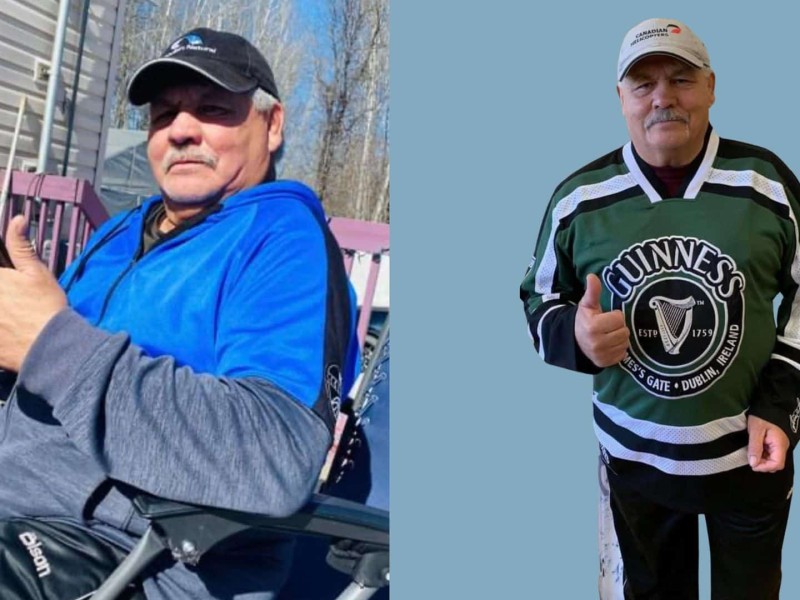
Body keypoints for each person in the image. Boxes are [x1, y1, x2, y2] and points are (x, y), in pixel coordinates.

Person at [0, 27, 359, 599]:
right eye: (164, 115)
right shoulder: (121, 230)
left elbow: (275, 455)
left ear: (272, 126)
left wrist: (50, 342)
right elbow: (41, 369)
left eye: (213, 109)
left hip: (135, 559)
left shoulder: (283, 241)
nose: (182, 130)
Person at [520, 17, 800, 600]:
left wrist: (783, 402)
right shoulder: (580, 200)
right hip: (634, 468)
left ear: (711, 86)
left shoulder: (766, 185)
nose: (663, 97)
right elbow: (539, 298)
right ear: (620, 97)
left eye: (681, 78)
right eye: (643, 83)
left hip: (750, 460)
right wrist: (576, 336)